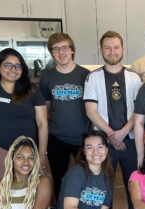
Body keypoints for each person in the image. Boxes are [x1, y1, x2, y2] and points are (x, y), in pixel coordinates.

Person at [84, 30, 142, 209]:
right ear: (101, 50)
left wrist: (124, 132)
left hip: (131, 141)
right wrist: (112, 134)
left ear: (122, 49)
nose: (112, 51)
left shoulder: (134, 78)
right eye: (107, 47)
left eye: (116, 47)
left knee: (133, 186)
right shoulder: (93, 77)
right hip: (103, 144)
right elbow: (91, 111)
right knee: (102, 188)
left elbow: (139, 111)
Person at [0, 48, 49, 180]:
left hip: (29, 152)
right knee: (4, 193)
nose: (13, 69)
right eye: (8, 65)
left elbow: (42, 123)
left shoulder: (32, 90)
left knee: (33, 193)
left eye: (18, 66)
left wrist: (42, 154)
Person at [39, 32, 91, 198]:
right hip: (57, 138)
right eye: (56, 49)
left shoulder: (86, 75)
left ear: (72, 50)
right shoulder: (47, 77)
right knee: (58, 179)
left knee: (85, 179)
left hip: (83, 137)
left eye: (64, 48)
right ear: (51, 53)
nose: (61, 53)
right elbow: (45, 109)